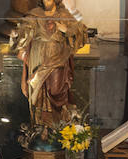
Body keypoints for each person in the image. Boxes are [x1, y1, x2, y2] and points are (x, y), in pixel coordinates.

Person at [8, 0, 88, 128]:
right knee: (38, 92)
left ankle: (57, 124)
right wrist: (18, 35)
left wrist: (65, 29)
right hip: (38, 56)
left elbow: (81, 32)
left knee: (56, 89)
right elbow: (23, 34)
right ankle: (40, 126)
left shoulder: (65, 15)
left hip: (57, 56)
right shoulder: (33, 15)